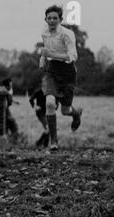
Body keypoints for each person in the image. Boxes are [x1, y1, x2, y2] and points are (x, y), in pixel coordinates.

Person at [39, 5, 83, 151]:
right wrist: (43, 58)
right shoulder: (44, 34)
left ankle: (76, 114)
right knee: (50, 103)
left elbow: (73, 56)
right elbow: (45, 50)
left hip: (67, 73)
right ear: (45, 19)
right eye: (49, 18)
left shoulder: (67, 34)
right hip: (52, 71)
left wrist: (51, 54)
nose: (51, 21)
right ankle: (53, 141)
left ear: (60, 19)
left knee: (65, 111)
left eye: (55, 18)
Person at [1, 78, 19, 143]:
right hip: (5, 114)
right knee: (15, 128)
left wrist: (15, 101)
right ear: (7, 86)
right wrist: (10, 93)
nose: (11, 86)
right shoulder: (5, 92)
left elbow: (9, 101)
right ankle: (13, 142)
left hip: (4, 113)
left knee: (6, 129)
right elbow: (8, 102)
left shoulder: (3, 91)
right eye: (10, 85)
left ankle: (8, 141)